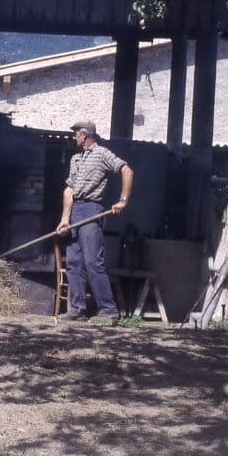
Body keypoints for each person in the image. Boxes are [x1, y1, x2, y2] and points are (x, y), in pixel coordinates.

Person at [56, 119, 134, 322]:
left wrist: (123, 200)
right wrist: (65, 219)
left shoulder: (102, 154)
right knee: (74, 262)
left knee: (92, 261)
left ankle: (108, 310)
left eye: (76, 133)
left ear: (84, 134)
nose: (74, 137)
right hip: (76, 211)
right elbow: (69, 190)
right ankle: (77, 310)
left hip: (92, 209)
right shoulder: (76, 159)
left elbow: (127, 170)